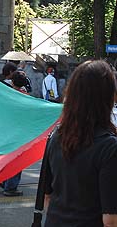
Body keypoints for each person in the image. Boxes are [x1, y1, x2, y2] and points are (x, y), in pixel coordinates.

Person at [43, 60, 117, 226]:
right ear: (108, 98)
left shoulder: (56, 136)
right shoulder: (109, 147)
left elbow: (47, 197)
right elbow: (111, 220)